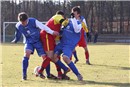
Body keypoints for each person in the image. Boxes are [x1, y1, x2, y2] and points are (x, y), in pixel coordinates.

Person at [11, 12, 59, 80]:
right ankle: (24, 75)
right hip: (29, 42)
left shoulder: (33, 21)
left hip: (38, 41)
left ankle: (48, 74)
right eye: (21, 22)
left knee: (45, 57)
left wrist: (52, 32)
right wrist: (15, 40)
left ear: (27, 19)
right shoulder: (18, 25)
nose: (23, 24)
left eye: (24, 22)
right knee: (26, 54)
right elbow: (17, 34)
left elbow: (44, 27)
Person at [39, 10, 70, 79]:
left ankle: (60, 73)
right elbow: (64, 23)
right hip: (46, 36)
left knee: (56, 56)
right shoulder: (57, 16)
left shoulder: (57, 25)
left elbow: (58, 36)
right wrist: (67, 21)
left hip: (51, 38)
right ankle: (40, 71)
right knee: (50, 56)